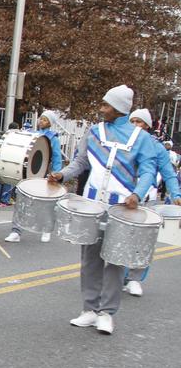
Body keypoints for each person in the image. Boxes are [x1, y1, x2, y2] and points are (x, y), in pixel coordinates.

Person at [49, 85, 158, 335]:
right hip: (91, 205)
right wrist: (61, 174)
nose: (101, 108)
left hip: (121, 208)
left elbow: (149, 170)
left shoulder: (140, 138)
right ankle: (89, 309)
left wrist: (137, 194)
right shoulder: (94, 132)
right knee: (90, 259)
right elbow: (80, 162)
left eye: (106, 105)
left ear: (119, 109)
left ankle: (107, 313)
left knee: (116, 260)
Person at [120, 108, 181, 296]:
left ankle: (135, 279)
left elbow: (168, 173)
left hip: (146, 200)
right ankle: (116, 276)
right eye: (132, 121)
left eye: (139, 122)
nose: (135, 125)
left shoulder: (156, 147)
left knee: (142, 242)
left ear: (146, 125)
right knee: (120, 239)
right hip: (123, 196)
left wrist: (176, 194)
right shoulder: (121, 140)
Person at [5, 110, 63, 243]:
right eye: (41, 118)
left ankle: (46, 230)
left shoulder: (53, 138)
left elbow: (56, 159)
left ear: (50, 123)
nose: (41, 121)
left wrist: (55, 175)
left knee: (44, 204)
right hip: (29, 174)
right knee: (21, 201)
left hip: (44, 174)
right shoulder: (32, 134)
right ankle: (16, 231)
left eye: (44, 119)